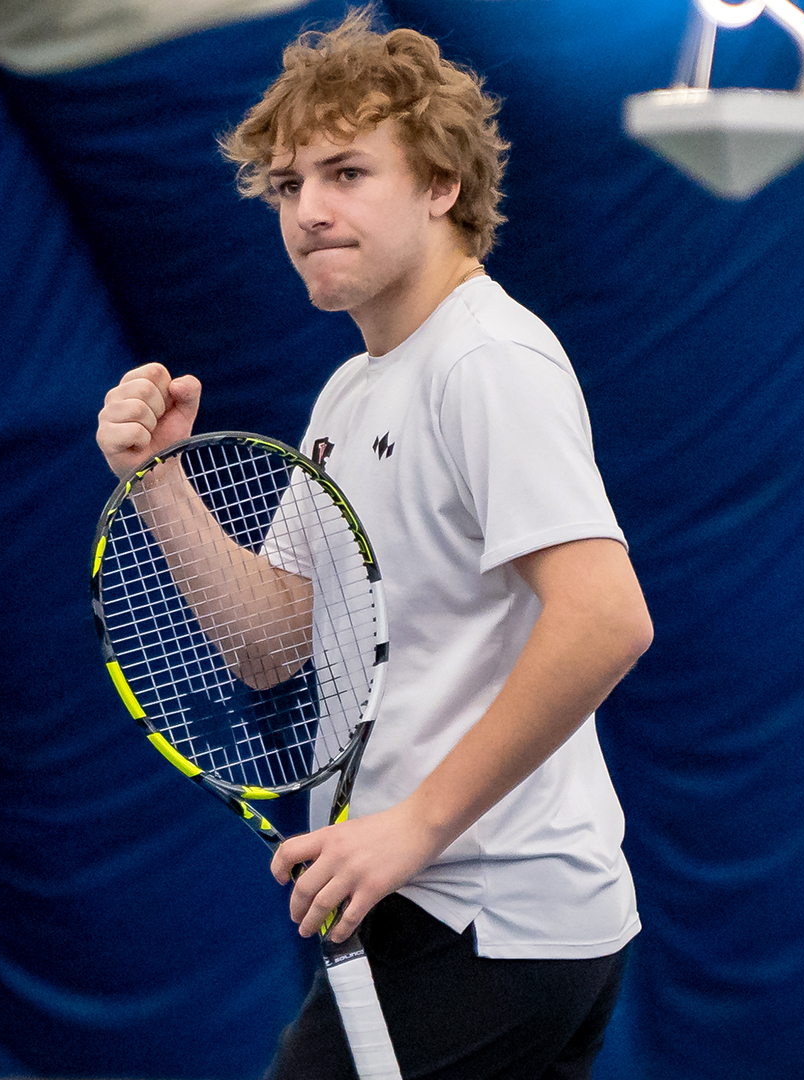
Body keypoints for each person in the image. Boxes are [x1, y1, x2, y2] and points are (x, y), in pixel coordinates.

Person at [93, 8, 652, 1078]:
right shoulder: (355, 389)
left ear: (441, 184)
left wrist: (413, 827)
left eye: (346, 173)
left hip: (487, 914)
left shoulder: (484, 360)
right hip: (428, 904)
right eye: (289, 185)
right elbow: (275, 646)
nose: (307, 210)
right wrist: (158, 482)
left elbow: (608, 618)